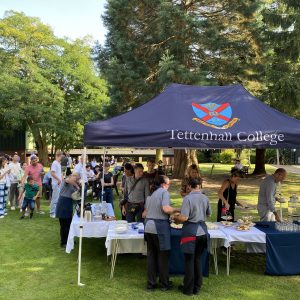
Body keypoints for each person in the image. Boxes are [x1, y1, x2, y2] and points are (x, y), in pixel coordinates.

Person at [173, 178, 211, 296]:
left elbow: (184, 217)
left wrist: (176, 219)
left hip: (191, 232)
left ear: (189, 186)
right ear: (198, 186)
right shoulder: (205, 197)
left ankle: (188, 289)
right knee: (197, 259)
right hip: (203, 232)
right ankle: (197, 286)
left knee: (189, 260)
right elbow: (209, 214)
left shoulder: (188, 198)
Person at [143, 175, 178, 291]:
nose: (169, 186)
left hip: (148, 227)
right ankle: (164, 284)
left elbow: (145, 213)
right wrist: (177, 209)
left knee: (151, 256)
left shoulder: (151, 195)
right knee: (163, 256)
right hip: (159, 228)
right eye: (168, 184)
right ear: (163, 184)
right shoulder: (164, 192)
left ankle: (151, 284)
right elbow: (166, 209)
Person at [56, 172, 80, 247]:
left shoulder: (75, 185)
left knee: (69, 224)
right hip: (63, 204)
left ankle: (69, 240)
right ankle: (63, 242)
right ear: (71, 176)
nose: (75, 177)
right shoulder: (67, 181)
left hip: (69, 204)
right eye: (74, 176)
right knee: (63, 225)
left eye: (77, 177)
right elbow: (68, 180)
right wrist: (77, 185)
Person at [50, 151, 63, 218]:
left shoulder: (58, 163)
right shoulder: (54, 163)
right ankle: (52, 213)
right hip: (55, 183)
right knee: (55, 198)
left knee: (58, 199)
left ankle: (56, 212)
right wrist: (58, 179)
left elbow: (58, 173)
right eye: (62, 156)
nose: (62, 157)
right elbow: (52, 173)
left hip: (59, 183)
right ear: (59, 155)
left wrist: (61, 178)